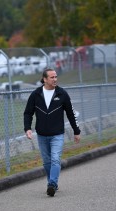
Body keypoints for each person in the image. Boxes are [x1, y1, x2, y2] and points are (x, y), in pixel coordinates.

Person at [24, 68, 81, 197]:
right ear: (44, 79)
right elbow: (28, 113)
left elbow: (71, 114)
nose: (55, 79)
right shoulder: (36, 94)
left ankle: (52, 185)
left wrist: (76, 131)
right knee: (47, 162)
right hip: (42, 135)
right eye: (52, 77)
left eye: (56, 77)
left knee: (55, 159)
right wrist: (27, 128)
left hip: (57, 134)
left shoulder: (62, 94)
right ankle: (52, 182)